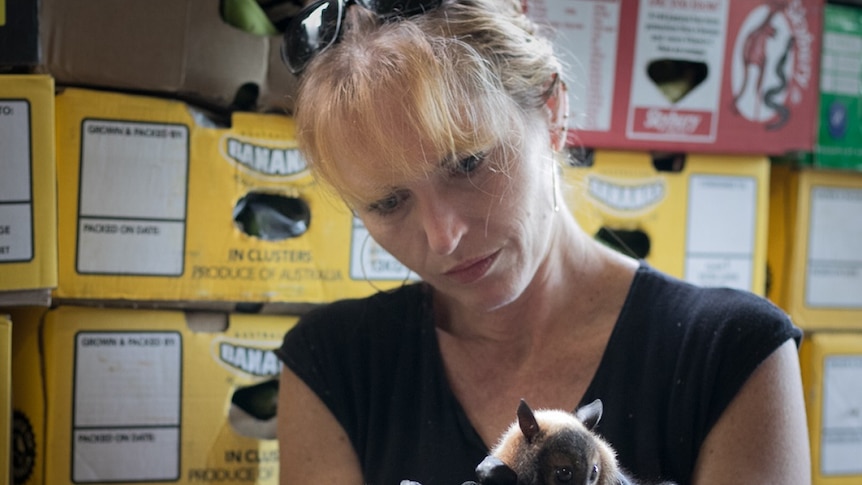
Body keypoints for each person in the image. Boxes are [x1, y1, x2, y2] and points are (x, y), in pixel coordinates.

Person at [275, 0, 811, 484]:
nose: (444, 238)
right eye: (389, 202)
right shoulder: (331, 366)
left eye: (467, 163)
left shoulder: (732, 356)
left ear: (552, 114)